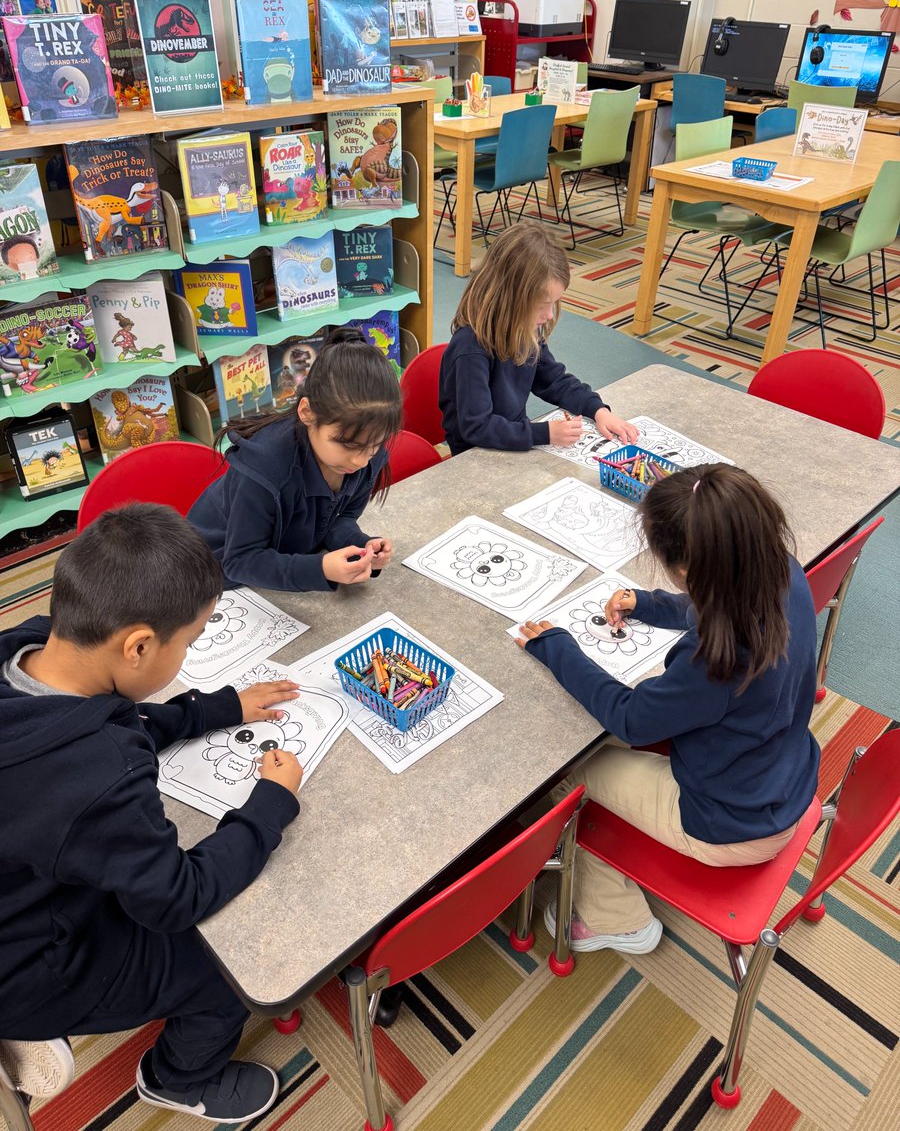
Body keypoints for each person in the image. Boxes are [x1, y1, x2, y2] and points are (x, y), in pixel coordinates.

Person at [0, 504, 303, 1123]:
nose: (187, 654)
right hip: (27, 962)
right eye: (188, 642)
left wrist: (211, 709)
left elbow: (114, 714)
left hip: (22, 882)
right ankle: (178, 1079)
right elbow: (175, 898)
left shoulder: (28, 645)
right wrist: (271, 804)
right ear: (138, 645)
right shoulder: (100, 773)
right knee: (231, 962)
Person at [516, 464, 820, 954]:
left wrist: (557, 648)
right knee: (613, 746)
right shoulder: (781, 570)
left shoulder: (714, 659)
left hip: (729, 823)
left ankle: (616, 919)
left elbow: (631, 718)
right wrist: (649, 604)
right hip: (784, 777)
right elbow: (714, 603)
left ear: (684, 572)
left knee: (571, 768)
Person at [189, 328, 401, 592]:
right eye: (347, 444)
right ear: (307, 412)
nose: (360, 461)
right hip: (211, 577)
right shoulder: (265, 469)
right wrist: (320, 569)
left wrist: (361, 545)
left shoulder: (368, 456)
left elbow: (335, 518)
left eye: (374, 444)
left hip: (276, 567)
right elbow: (239, 561)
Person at [438, 223, 639, 455]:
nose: (550, 315)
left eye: (553, 303)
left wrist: (598, 410)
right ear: (510, 299)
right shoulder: (470, 349)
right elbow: (477, 427)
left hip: (512, 445)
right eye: (542, 305)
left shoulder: (522, 329)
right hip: (475, 456)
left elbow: (555, 380)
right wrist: (544, 434)